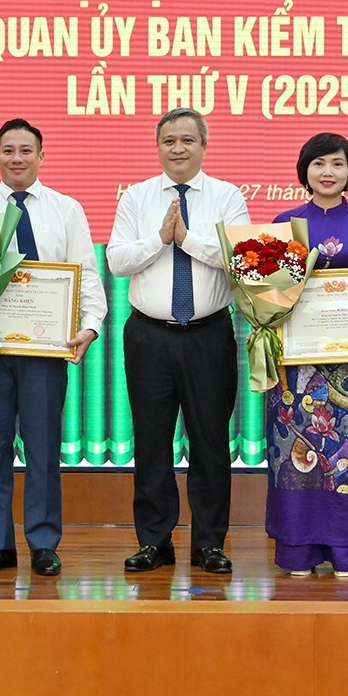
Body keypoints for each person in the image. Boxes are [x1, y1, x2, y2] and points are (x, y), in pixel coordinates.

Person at [0, 119, 106, 578]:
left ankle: (43, 541)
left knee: (42, 449)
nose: (17, 158)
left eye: (26, 150)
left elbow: (87, 274)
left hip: (47, 351)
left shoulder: (66, 210)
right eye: (8, 150)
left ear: (41, 155)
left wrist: (90, 327)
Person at [106, 108, 251, 574]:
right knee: (151, 442)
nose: (178, 149)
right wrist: (158, 239)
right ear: (158, 147)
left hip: (208, 335)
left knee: (210, 442)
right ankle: (154, 541)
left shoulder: (228, 197)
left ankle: (209, 543)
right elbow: (116, 260)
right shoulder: (136, 197)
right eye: (169, 140)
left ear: (204, 147)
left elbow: (240, 261)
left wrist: (186, 240)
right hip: (148, 336)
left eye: (188, 140)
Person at [268, 133, 348, 579]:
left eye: (337, 164)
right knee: (295, 454)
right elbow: (269, 294)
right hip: (294, 366)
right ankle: (297, 551)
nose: (328, 172)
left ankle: (346, 552)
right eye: (319, 164)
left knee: (346, 456)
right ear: (305, 171)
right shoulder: (284, 223)